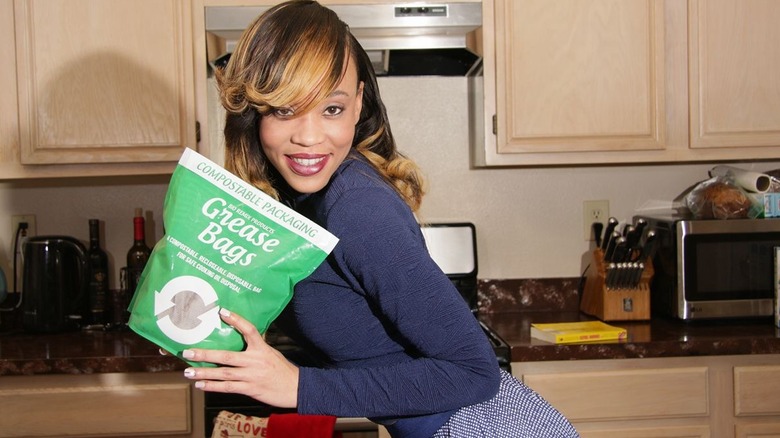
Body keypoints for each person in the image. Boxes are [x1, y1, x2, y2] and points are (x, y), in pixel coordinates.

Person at [181, 1, 578, 436]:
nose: (310, 137)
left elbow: (474, 371)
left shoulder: (356, 208)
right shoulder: (300, 200)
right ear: (254, 113)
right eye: (284, 109)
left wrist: (299, 386)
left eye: (331, 109)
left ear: (357, 105)